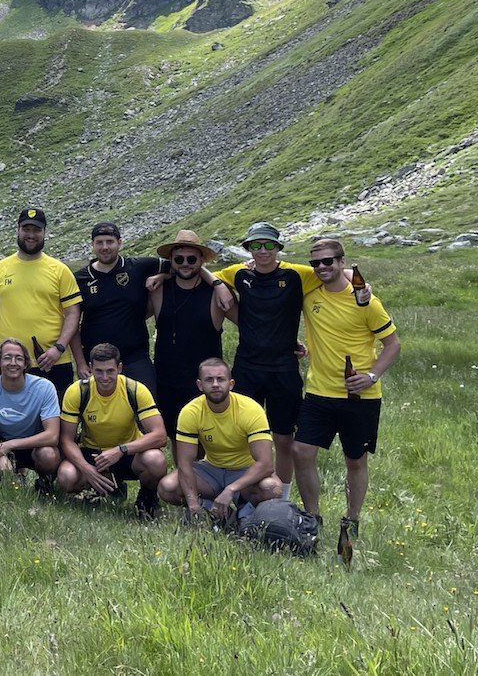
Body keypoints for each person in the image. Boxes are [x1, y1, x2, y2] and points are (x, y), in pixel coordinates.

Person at [291, 238, 401, 537]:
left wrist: (371, 376)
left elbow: (393, 345)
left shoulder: (366, 301)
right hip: (318, 392)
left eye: (328, 261)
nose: (321, 267)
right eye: (316, 263)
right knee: (301, 451)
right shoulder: (310, 293)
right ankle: (312, 517)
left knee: (355, 459)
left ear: (341, 262)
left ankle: (351, 521)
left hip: (360, 396)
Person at [210, 221, 322, 488]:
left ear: (278, 247)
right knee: (243, 434)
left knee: (283, 437)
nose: (262, 251)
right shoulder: (239, 273)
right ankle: (247, 491)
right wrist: (218, 285)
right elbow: (208, 274)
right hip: (247, 366)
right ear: (248, 248)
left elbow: (334, 272)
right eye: (256, 245)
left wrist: (362, 286)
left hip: (284, 368)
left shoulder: (296, 274)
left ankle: (281, 497)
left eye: (269, 245)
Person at [0, 208, 83, 399]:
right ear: (18, 230)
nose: (31, 235)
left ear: (44, 232)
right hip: (10, 363)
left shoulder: (60, 270)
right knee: (10, 415)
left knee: (56, 414)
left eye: (37, 230)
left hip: (53, 361)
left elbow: (73, 314)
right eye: (26, 229)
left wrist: (59, 348)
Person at [157, 357, 283, 522]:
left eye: (220, 379)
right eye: (209, 380)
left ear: (231, 384)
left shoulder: (251, 409)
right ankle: (211, 510)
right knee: (167, 487)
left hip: (244, 470)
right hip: (211, 470)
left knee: (272, 488)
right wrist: (193, 505)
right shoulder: (190, 411)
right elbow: (184, 463)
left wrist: (230, 489)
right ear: (200, 385)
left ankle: (243, 515)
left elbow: (266, 465)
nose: (215, 384)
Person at [57, 343, 167, 516]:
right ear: (91, 368)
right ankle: (98, 490)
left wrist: (120, 450)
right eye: (99, 371)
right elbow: (66, 440)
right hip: (92, 453)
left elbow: (160, 436)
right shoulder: (78, 391)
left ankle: (147, 500)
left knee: (156, 460)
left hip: (127, 452)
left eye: (110, 371)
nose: (105, 377)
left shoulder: (135, 389)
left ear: (119, 368)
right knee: (66, 476)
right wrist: (86, 469)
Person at [148, 230, 225, 437]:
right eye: (179, 259)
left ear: (201, 260)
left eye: (191, 259)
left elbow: (248, 322)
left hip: (205, 380)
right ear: (171, 261)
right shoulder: (158, 289)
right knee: (176, 437)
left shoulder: (216, 292)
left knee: (208, 439)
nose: (185, 263)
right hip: (167, 378)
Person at [73, 222, 163, 390]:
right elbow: (73, 324)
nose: (105, 247)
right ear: (92, 244)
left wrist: (162, 276)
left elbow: (181, 266)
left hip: (135, 357)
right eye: (99, 242)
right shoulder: (79, 278)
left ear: (120, 243)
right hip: (96, 363)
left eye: (110, 242)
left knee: (147, 402)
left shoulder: (139, 267)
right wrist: (81, 364)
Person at [0, 338, 63, 485]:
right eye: (7, 358)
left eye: (19, 358)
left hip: (33, 444)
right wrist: (1, 456)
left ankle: (45, 486)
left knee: (49, 455)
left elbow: (52, 436)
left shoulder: (45, 387)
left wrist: (10, 445)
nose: (13, 363)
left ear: (26, 364)